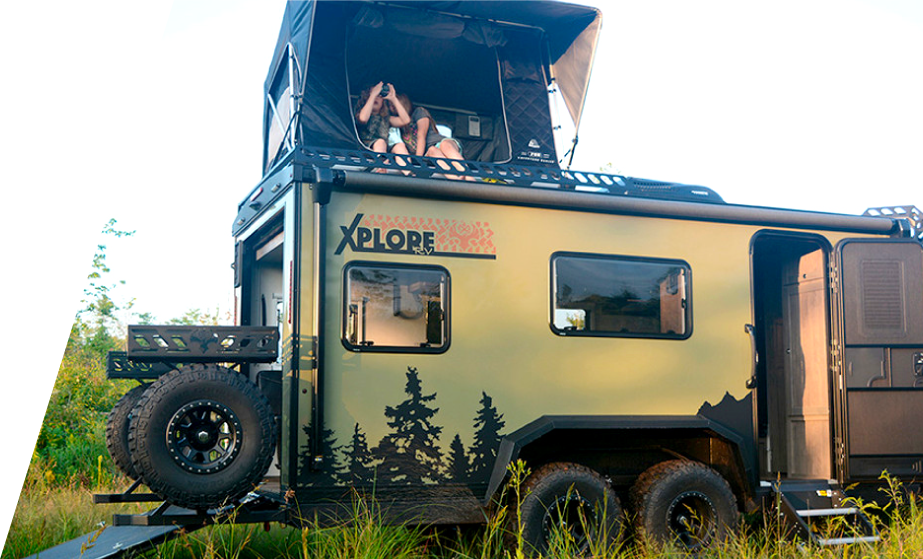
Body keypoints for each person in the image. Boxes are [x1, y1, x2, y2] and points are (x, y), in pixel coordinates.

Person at [397, 93, 470, 179]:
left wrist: (418, 160)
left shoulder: (418, 112)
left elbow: (421, 136)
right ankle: (455, 179)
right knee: (432, 150)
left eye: (395, 104)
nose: (392, 107)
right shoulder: (396, 125)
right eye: (389, 105)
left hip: (440, 143)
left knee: (445, 145)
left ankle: (467, 175)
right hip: (428, 154)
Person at [355, 82, 412, 156]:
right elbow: (363, 119)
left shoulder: (386, 118)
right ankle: (381, 163)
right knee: (380, 142)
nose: (376, 98)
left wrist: (393, 98)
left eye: (379, 96)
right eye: (373, 95)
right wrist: (373, 95)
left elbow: (405, 120)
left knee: (400, 146)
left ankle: (404, 164)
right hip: (365, 146)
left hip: (383, 147)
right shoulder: (361, 113)